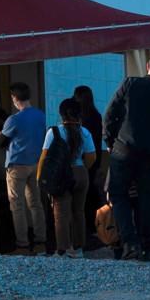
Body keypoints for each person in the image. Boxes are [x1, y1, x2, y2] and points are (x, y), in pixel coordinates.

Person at [103, 53, 150, 261]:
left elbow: (110, 113)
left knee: (118, 194)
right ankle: (147, 247)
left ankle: (130, 242)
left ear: (147, 66)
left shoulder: (129, 83)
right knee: (147, 198)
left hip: (124, 148)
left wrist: (109, 141)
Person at [37, 98, 97, 257]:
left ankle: (62, 251)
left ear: (61, 114)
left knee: (60, 215)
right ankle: (78, 250)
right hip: (80, 173)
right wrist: (82, 168)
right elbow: (92, 157)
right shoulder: (85, 132)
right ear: (78, 114)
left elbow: (44, 158)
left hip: (60, 175)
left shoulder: (54, 132)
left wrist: (40, 179)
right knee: (78, 212)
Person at [0, 82, 47, 255]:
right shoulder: (40, 115)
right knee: (36, 203)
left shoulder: (13, 120)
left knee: (17, 206)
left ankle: (22, 246)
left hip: (17, 167)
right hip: (35, 165)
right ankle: (41, 243)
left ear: (14, 98)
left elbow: (0, 141)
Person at [73, 85, 104, 245]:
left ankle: (91, 226)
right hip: (94, 158)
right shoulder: (96, 115)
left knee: (86, 194)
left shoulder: (81, 119)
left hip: (81, 160)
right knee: (91, 190)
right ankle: (98, 225)